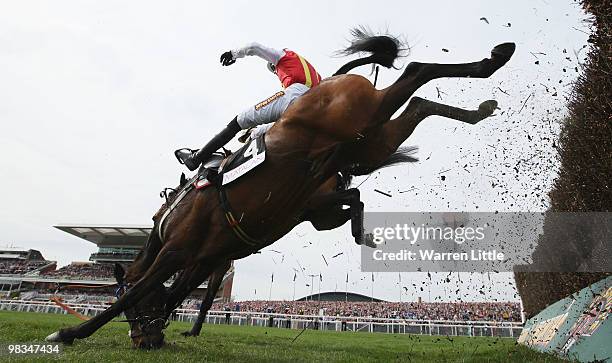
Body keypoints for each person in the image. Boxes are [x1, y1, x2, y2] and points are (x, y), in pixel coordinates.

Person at [176, 42, 322, 171]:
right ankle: (252, 138)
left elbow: (254, 47)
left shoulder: (283, 55)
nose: (277, 73)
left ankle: (195, 158)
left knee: (240, 120)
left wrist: (233, 54)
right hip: (313, 111)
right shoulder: (315, 74)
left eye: (274, 69)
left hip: (294, 96)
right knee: (262, 132)